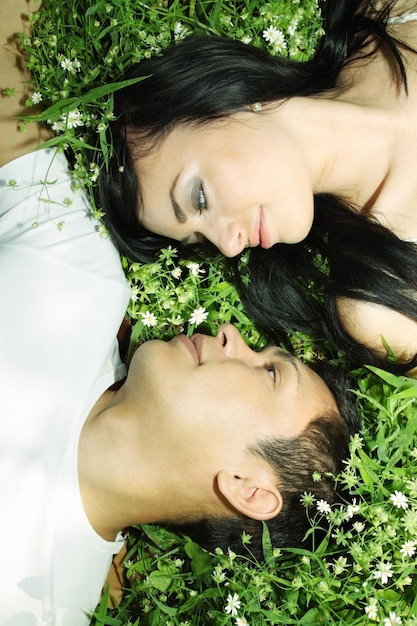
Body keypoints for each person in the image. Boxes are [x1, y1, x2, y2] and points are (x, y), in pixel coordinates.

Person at [1, 5, 359, 624]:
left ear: (250, 489)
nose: (232, 334)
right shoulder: (82, 282)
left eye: (269, 372)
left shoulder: (41, 605)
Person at [96, 0, 417, 375]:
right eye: (202, 240)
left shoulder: (389, 11)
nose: (229, 245)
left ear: (225, 99)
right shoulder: (384, 303)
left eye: (199, 198)